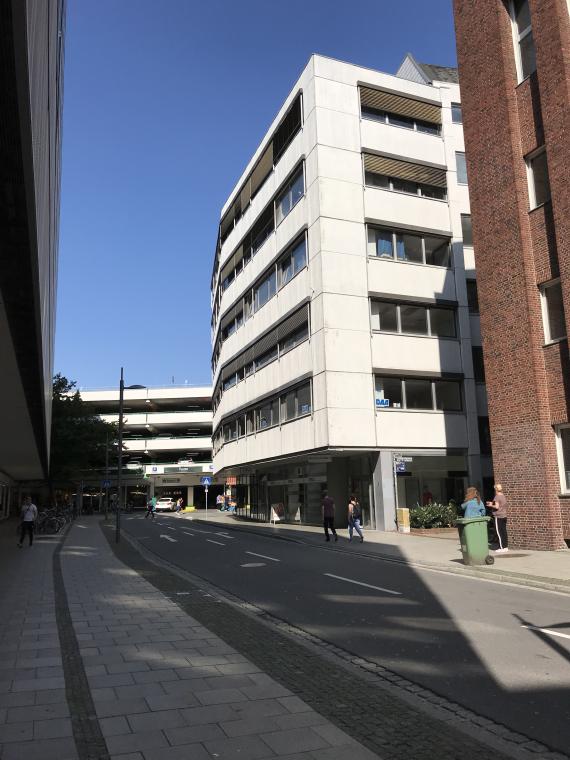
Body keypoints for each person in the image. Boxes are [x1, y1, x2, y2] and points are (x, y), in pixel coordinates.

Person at [487, 483, 508, 553]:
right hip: (504, 515)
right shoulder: (503, 496)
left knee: (499, 532)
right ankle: (505, 547)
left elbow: (497, 507)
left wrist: (490, 505)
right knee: (504, 532)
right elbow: (500, 504)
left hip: (498, 516)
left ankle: (501, 547)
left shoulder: (497, 497)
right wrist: (492, 503)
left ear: (496, 489)